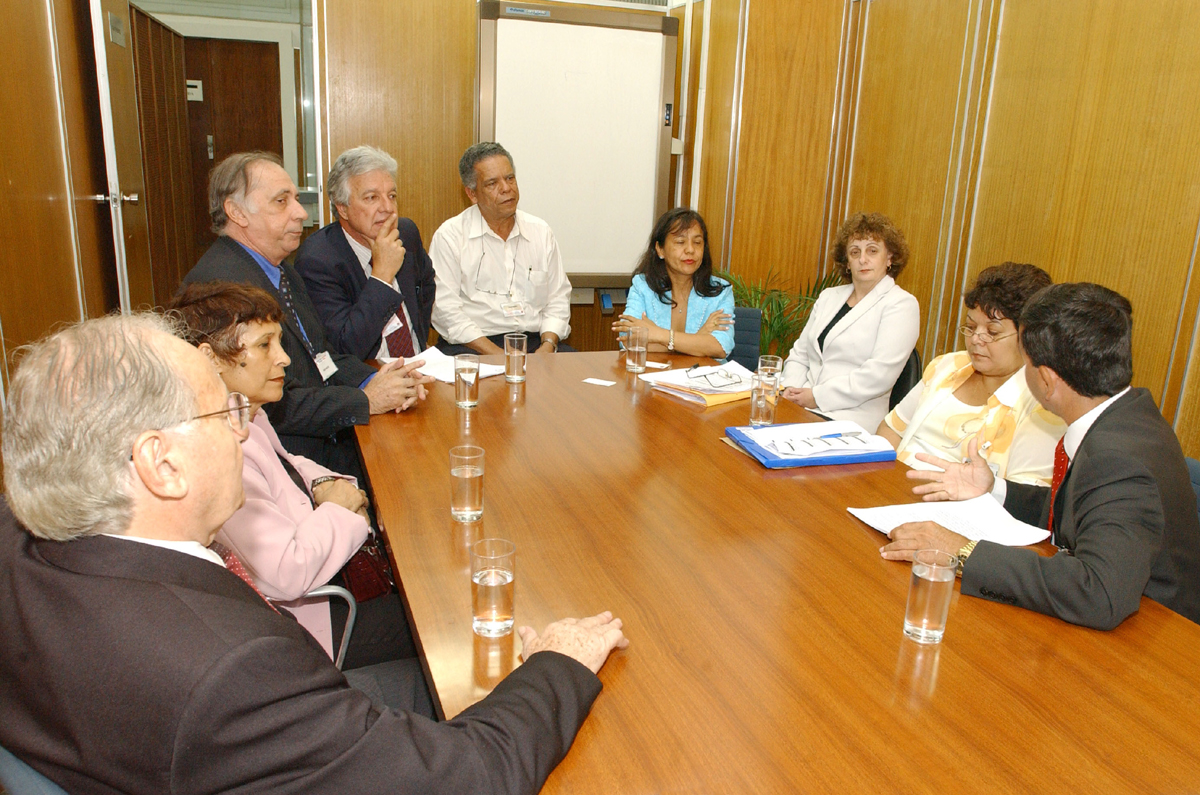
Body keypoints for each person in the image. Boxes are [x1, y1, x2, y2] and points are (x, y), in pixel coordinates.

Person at [0, 312, 629, 793]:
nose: (244, 432)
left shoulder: (19, 541)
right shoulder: (231, 673)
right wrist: (558, 663)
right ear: (161, 465)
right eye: (223, 414)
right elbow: (469, 776)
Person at [882, 283, 1200, 629]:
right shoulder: (1126, 415)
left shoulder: (1119, 458)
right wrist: (994, 489)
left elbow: (1099, 592)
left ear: (1046, 380)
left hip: (1159, 644)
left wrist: (963, 550)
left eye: (1027, 365)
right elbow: (1081, 508)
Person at [170, 281, 416, 670]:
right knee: (435, 612)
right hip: (315, 622)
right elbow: (286, 573)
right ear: (211, 358)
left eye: (280, 342)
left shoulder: (247, 411)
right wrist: (341, 510)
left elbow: (292, 463)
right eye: (265, 345)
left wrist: (324, 485)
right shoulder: (221, 451)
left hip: (328, 571)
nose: (284, 359)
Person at [182, 151, 433, 480]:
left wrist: (383, 379)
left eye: (296, 199)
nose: (301, 213)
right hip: (285, 460)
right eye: (281, 202)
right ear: (236, 212)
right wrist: (364, 400)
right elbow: (271, 406)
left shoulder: (279, 269)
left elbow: (323, 354)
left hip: (321, 428)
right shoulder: (223, 289)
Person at [878, 262, 1065, 484]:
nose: (976, 339)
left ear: (1029, 336)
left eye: (992, 332)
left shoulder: (1043, 404)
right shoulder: (948, 366)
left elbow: (1022, 497)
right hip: (893, 487)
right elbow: (892, 429)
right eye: (971, 327)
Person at [429, 142, 573, 355]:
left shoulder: (540, 232)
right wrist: (499, 356)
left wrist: (548, 345)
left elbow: (558, 299)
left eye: (510, 178)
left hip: (534, 343)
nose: (506, 188)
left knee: (577, 378)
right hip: (473, 345)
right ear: (472, 194)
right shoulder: (451, 236)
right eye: (492, 183)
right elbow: (445, 312)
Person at [295, 145, 436, 361]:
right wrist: (382, 277)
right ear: (342, 208)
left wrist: (418, 340)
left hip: (422, 365)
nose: (388, 208)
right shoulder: (317, 260)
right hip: (368, 377)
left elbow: (426, 287)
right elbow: (345, 346)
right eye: (372, 198)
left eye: (392, 195)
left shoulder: (406, 233)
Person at [780, 212, 920, 431]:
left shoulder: (901, 304)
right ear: (847, 262)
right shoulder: (829, 296)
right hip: (801, 408)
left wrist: (815, 397)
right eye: (855, 252)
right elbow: (800, 353)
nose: (863, 259)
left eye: (872, 251)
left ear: (890, 257)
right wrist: (789, 388)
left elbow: (877, 377)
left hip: (850, 420)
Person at [610, 207, 734, 359]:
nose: (690, 250)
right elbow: (629, 341)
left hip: (704, 379)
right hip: (655, 377)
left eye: (697, 242)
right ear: (660, 249)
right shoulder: (643, 286)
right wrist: (697, 340)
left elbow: (720, 347)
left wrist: (659, 335)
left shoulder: (720, 291)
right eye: (680, 242)